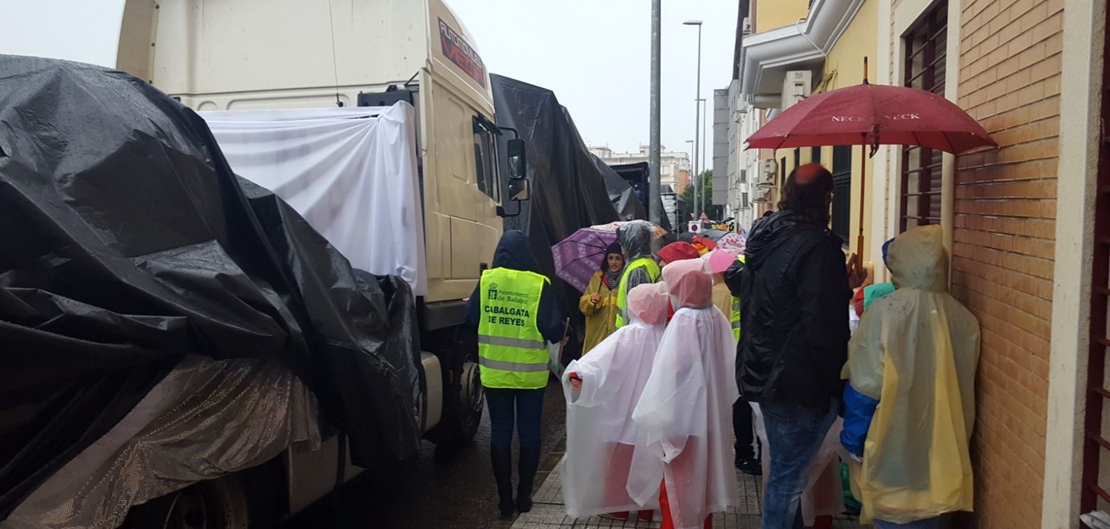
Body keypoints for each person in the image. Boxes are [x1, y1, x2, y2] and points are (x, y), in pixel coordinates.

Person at [726, 164, 865, 529]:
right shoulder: (817, 245)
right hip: (800, 382)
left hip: (767, 373)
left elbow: (775, 299)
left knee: (786, 477)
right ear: (826, 198)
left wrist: (842, 285)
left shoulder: (767, 237)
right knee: (787, 482)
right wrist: (837, 385)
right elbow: (822, 324)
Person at [841, 225, 980, 529]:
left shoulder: (885, 312)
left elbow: (865, 386)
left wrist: (853, 438)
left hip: (892, 446)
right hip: (942, 453)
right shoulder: (963, 319)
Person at [629, 259, 739, 529]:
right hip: (710, 416)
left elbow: (672, 372)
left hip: (682, 418)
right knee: (703, 482)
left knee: (678, 484)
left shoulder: (684, 320)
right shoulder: (716, 316)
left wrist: (658, 414)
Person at [465, 230, 567, 518]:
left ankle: (504, 501)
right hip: (530, 375)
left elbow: (471, 320)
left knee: (500, 432)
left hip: (495, 373)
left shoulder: (487, 281)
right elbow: (553, 329)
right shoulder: (539, 284)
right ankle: (524, 497)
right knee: (529, 433)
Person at [561, 283, 670, 522]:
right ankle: (647, 507)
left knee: (618, 465)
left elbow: (598, 363)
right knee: (652, 462)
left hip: (623, 414)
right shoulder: (668, 336)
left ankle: (617, 507)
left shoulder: (627, 334)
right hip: (654, 414)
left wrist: (578, 376)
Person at [579, 242, 624, 354]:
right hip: (597, 336)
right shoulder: (597, 279)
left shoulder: (626, 280)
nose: (614, 262)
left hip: (617, 337)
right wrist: (590, 300)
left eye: (618, 258)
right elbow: (583, 307)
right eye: (611, 258)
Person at [615, 221, 661, 329]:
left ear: (631, 243)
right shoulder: (648, 263)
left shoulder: (638, 270)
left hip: (631, 333)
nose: (621, 246)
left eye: (623, 242)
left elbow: (636, 311)